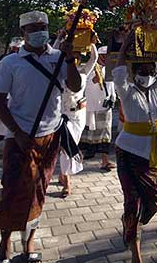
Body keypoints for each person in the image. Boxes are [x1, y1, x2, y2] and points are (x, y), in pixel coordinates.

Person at [0, 11, 82, 263]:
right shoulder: (10, 63)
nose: (39, 31)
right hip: (20, 137)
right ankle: (5, 243)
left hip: (50, 136)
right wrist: (17, 133)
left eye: (43, 27)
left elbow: (74, 86)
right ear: (23, 33)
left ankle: (28, 244)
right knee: (13, 189)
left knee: (38, 191)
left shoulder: (59, 57)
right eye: (33, 28)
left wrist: (71, 60)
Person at [113, 28, 157, 263]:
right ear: (135, 71)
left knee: (156, 199)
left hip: (152, 156)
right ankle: (135, 253)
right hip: (128, 153)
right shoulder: (127, 92)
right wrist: (126, 44)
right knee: (133, 202)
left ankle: (132, 224)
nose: (147, 73)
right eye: (142, 70)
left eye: (150, 70)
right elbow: (118, 70)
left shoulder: (156, 90)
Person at [56, 42, 97, 197]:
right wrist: (60, 39)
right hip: (63, 115)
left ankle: (62, 174)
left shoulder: (83, 72)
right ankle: (67, 183)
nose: (75, 59)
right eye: (72, 57)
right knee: (67, 148)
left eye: (77, 57)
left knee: (71, 144)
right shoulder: (59, 72)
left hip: (78, 115)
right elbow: (53, 52)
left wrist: (91, 41)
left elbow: (94, 58)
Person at [81, 45, 116, 171]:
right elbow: (84, 84)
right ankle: (78, 161)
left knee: (105, 134)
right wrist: (94, 81)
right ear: (101, 56)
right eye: (106, 56)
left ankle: (105, 161)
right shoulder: (91, 68)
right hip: (93, 106)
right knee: (88, 135)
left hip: (106, 106)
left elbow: (112, 86)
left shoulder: (110, 69)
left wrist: (113, 97)